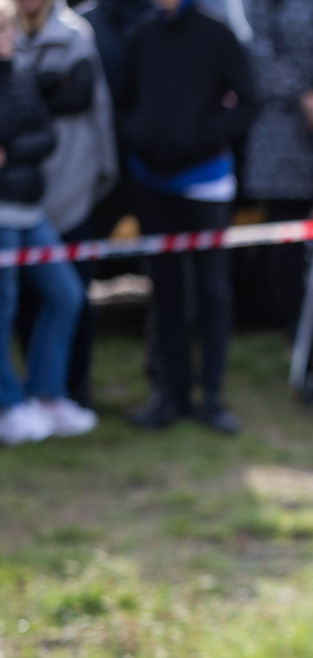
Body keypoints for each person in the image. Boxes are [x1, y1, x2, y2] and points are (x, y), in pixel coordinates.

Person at [118, 0, 258, 433]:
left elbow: (249, 102)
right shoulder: (141, 37)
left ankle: (211, 396)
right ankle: (170, 393)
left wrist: (200, 137)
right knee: (166, 290)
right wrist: (142, 137)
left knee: (212, 290)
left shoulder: (217, 35)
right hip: (152, 182)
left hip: (205, 182)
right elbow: (124, 103)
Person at [11, 0, 113, 405]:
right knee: (22, 301)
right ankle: (31, 393)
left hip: (70, 189)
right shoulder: (8, 34)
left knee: (71, 296)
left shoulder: (75, 35)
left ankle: (71, 388)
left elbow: (90, 105)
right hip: (17, 200)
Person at [0, 0, 89, 444]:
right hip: (2, 213)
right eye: (0, 32)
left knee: (66, 294)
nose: (6, 39)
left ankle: (46, 393)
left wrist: (12, 151)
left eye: (8, 31)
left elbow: (45, 136)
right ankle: (8, 404)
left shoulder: (20, 75)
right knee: (4, 307)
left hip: (30, 208)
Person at [244, 0, 313, 331]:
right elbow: (258, 48)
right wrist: (303, 98)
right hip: (283, 124)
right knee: (286, 231)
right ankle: (293, 327)